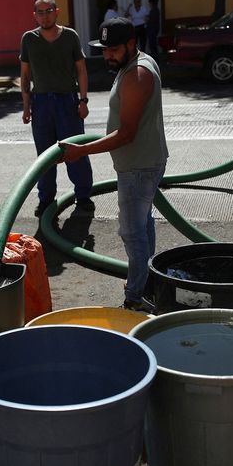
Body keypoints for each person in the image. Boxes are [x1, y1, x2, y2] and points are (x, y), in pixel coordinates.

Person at [60, 18, 168, 313]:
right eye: (104, 49)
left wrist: (81, 151)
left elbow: (126, 133)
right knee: (143, 224)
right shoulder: (133, 63)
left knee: (132, 231)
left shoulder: (137, 75)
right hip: (141, 162)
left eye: (113, 50)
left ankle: (135, 297)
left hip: (138, 166)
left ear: (131, 45)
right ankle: (145, 280)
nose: (107, 55)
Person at [20, 0, 94, 217]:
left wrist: (83, 100)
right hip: (41, 103)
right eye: (40, 12)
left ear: (56, 11)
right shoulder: (28, 39)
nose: (45, 16)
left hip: (67, 101)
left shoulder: (70, 36)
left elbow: (81, 69)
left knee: (74, 151)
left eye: (49, 11)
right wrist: (26, 106)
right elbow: (25, 75)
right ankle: (46, 200)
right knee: (44, 155)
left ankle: (83, 196)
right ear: (34, 16)